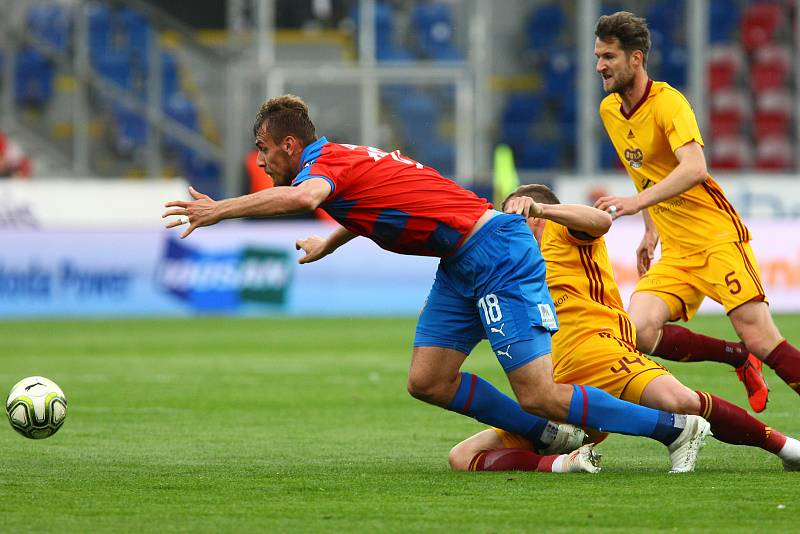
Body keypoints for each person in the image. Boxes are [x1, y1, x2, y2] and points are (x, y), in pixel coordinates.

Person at [163, 94, 711, 473]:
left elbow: (308, 199)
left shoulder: (322, 166)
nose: (259, 161)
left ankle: (673, 428)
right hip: (459, 264)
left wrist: (221, 211)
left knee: (540, 391)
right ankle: (549, 436)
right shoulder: (343, 160)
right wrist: (327, 243)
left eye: (262, 150)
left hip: (495, 250)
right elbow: (379, 206)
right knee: (428, 379)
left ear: (287, 145)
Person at [448, 185, 800, 473]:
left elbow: (600, 220)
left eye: (518, 215)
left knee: (681, 401)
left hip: (602, 351)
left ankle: (785, 447)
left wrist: (542, 211)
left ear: (537, 215)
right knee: (462, 456)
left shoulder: (563, 234)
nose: (510, 226)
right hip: (552, 386)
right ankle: (565, 463)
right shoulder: (508, 265)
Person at [590, 11, 800, 413]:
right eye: (598, 56)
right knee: (636, 331)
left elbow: (694, 168)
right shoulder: (610, 111)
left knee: (761, 336)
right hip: (677, 250)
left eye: (609, 57)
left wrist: (636, 206)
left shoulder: (669, 103)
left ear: (636, 59)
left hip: (716, 238)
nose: (600, 65)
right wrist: (649, 230)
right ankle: (737, 357)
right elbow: (643, 174)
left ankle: (749, 351)